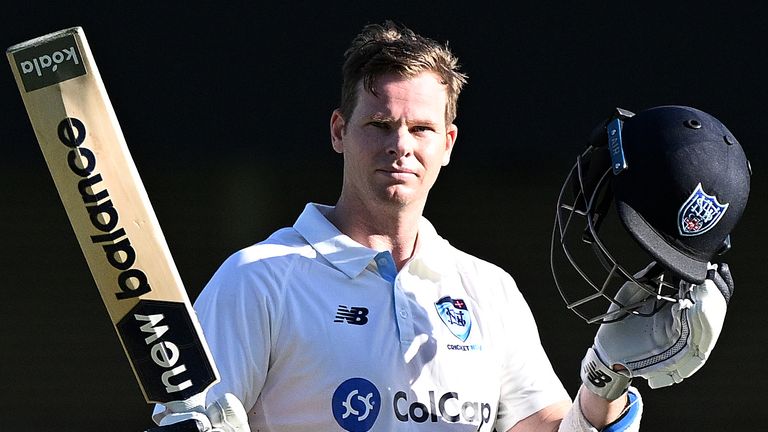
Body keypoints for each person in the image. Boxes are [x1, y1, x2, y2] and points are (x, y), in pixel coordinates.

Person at [152, 21, 750, 432]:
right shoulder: (259, 281)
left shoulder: (487, 291)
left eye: (420, 130)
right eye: (379, 126)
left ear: (449, 143)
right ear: (338, 131)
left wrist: (606, 380)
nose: (400, 147)